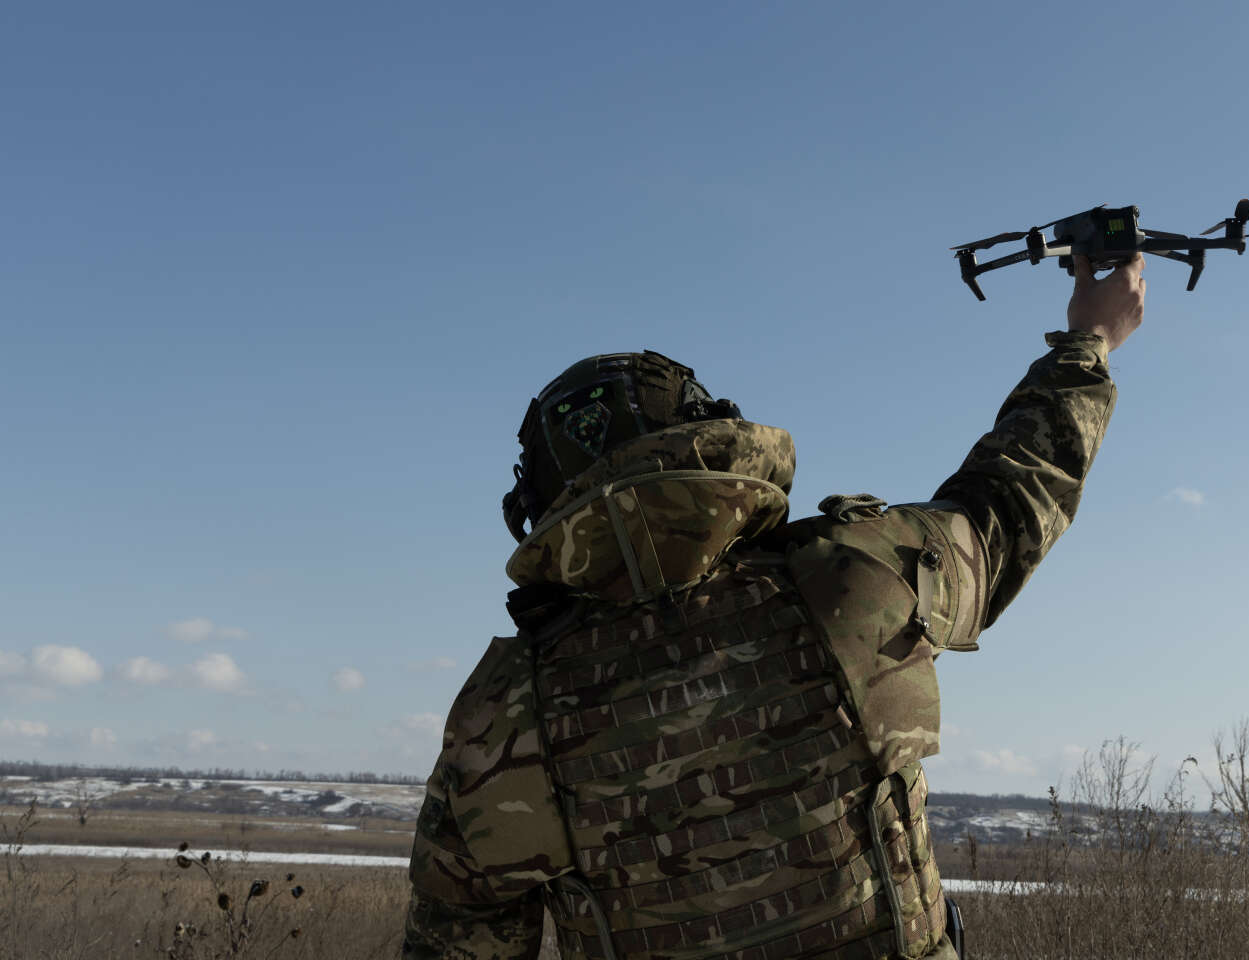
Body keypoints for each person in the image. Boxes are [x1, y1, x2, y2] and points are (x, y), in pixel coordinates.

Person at [403, 254, 1146, 960]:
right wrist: (1090, 341)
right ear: (709, 439)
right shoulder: (852, 576)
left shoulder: (502, 719)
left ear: (536, 508)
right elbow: (1011, 500)